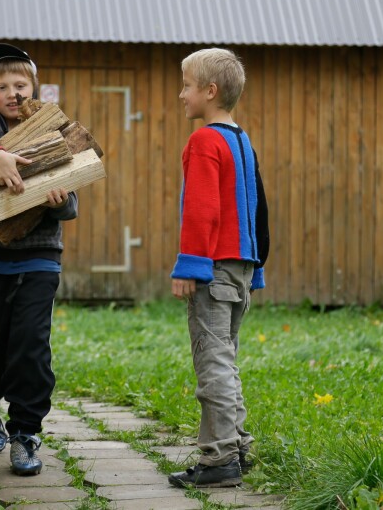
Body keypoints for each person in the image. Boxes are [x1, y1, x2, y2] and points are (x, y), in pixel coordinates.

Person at [0, 43, 77, 476]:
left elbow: (73, 199)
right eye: (2, 85)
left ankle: (25, 433)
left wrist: (60, 201)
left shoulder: (47, 126)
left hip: (40, 256)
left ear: (34, 87)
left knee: (31, 347)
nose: (12, 92)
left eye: (20, 84)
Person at [168, 48, 270, 488]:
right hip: (240, 270)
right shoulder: (241, 140)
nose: (181, 94)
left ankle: (219, 458)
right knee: (225, 360)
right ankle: (239, 446)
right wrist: (257, 269)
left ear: (210, 92)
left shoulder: (204, 141)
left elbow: (203, 210)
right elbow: (255, 212)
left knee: (212, 363)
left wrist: (190, 265)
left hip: (214, 270)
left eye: (187, 86)